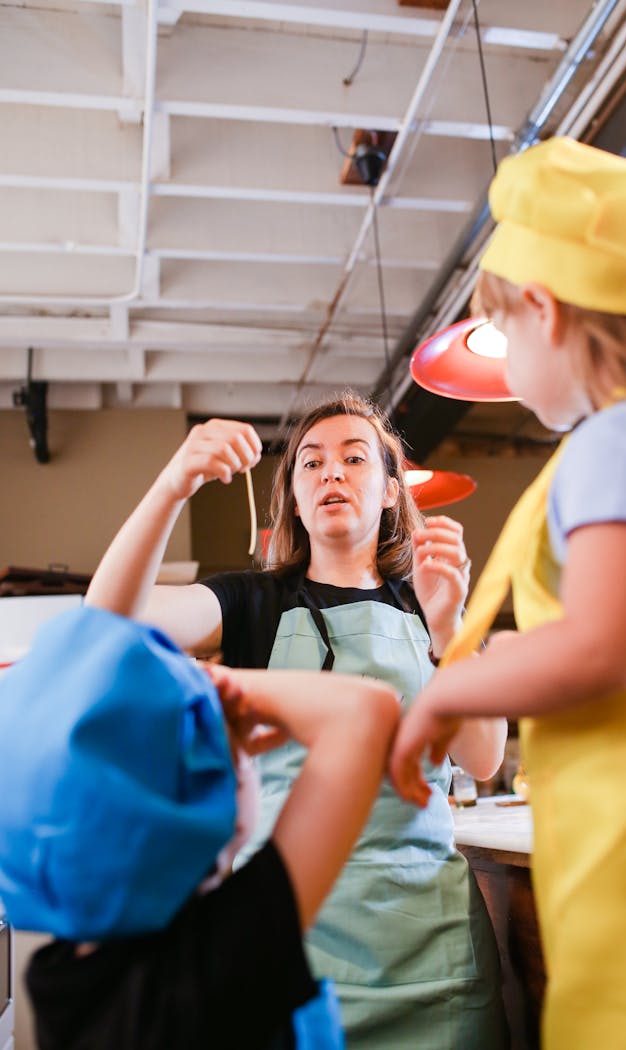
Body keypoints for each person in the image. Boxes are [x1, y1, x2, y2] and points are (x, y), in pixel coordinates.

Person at [389, 136, 626, 1050]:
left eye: (507, 335)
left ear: (542, 308)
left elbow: (605, 649)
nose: (506, 374)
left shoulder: (619, 441)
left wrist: (448, 689)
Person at [85, 392, 509, 1049]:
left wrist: (452, 626)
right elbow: (108, 622)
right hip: (284, 943)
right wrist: (173, 488)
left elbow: (483, 760)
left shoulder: (433, 603)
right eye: (310, 463)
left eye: (354, 457)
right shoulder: (252, 601)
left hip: (432, 955)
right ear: (294, 498)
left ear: (393, 491)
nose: (331, 472)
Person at [0, 603, 400, 1050]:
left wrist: (186, 711)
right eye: (236, 756)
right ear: (206, 808)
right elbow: (365, 710)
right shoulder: (223, 955)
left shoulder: (59, 972)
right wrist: (209, 685)